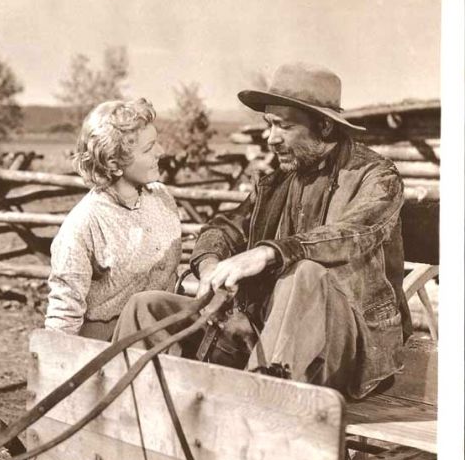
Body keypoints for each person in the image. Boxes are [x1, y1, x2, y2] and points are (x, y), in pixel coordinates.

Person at [113, 63, 411, 399]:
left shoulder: (377, 177)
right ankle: (127, 420)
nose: (271, 139)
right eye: (269, 125)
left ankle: (258, 411)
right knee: (146, 308)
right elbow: (225, 227)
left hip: (349, 351)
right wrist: (211, 266)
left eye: (284, 126)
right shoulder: (279, 180)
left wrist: (268, 253)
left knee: (305, 275)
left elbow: (353, 232)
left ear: (325, 126)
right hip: (268, 336)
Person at [45, 98, 182, 341]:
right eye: (148, 148)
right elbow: (65, 308)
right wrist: (57, 364)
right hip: (110, 347)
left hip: (165, 332)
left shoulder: (162, 198)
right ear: (114, 163)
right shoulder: (84, 224)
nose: (161, 152)